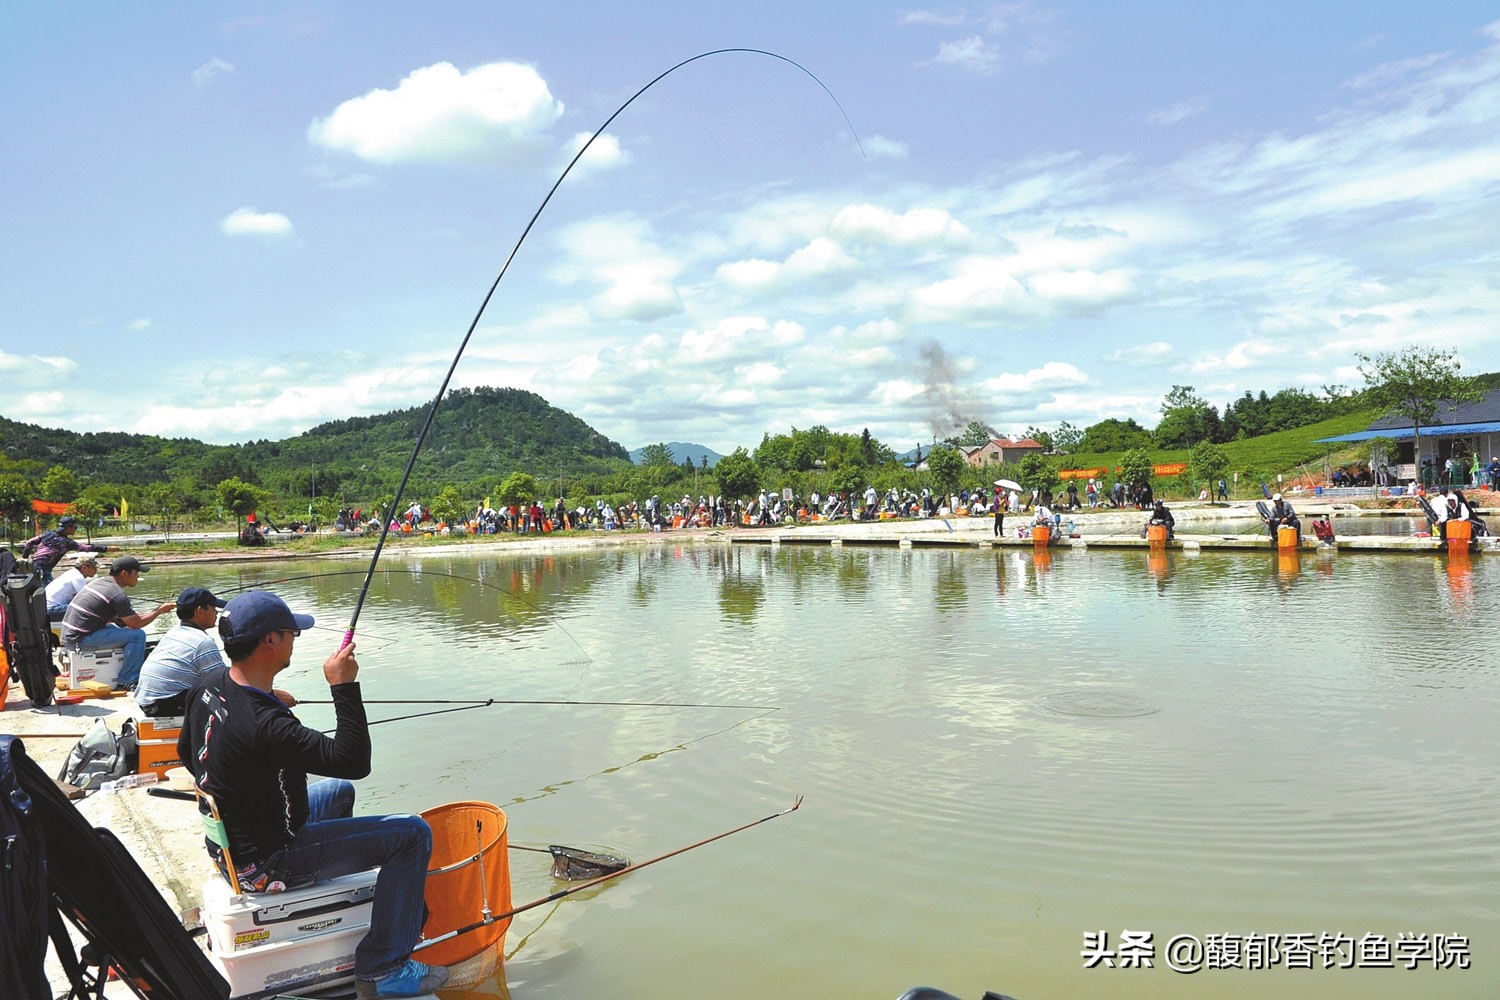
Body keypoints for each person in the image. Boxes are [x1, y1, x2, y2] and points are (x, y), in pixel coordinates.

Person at [178, 592, 446, 999]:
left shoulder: (209, 685)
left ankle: (345, 906)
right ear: (270, 641)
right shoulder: (266, 725)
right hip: (267, 862)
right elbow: (353, 759)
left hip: (230, 846)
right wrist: (344, 685)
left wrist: (269, 702)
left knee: (338, 792)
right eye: (290, 633)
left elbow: (187, 753)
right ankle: (384, 968)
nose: (295, 639)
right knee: (412, 834)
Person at [136, 587, 285, 718]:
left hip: (146, 701)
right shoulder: (202, 642)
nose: (217, 613)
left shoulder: (174, 632)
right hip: (163, 705)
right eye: (213, 608)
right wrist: (271, 696)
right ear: (199, 611)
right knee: (229, 699)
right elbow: (226, 685)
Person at [60, 556, 174, 689]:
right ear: (124, 573)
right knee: (138, 635)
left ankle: (124, 669)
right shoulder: (117, 594)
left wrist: (150, 613)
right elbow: (136, 623)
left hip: (70, 637)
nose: (137, 577)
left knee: (120, 629)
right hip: (81, 640)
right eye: (136, 574)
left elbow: (126, 620)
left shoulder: (100, 583)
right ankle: (128, 679)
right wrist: (160, 611)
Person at [20, 515, 108, 584]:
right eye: (75, 527)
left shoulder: (48, 534)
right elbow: (85, 548)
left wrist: (25, 558)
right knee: (48, 593)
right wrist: (106, 549)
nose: (76, 529)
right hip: (43, 569)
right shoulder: (66, 543)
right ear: (68, 528)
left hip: (33, 565)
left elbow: (29, 542)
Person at [44, 552, 99, 621]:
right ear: (84, 567)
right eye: (94, 567)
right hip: (51, 610)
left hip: (45, 609)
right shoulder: (78, 577)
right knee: (86, 607)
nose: (96, 570)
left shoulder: (72, 573)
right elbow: (87, 598)